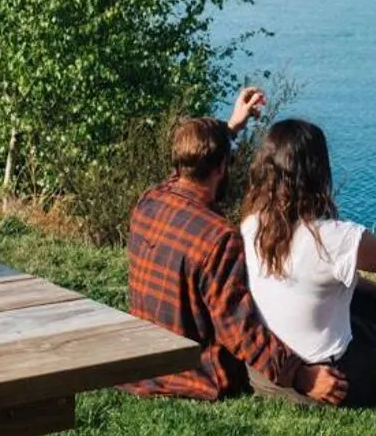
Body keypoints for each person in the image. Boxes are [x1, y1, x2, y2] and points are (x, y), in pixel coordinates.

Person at [124, 87, 346, 404]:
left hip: (148, 356)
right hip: (192, 371)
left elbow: (191, 161)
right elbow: (237, 329)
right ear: (221, 168)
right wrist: (300, 375)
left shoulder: (149, 201)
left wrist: (231, 127)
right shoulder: (218, 237)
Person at [239, 118, 376, 407]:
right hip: (328, 378)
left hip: (265, 373)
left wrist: (375, 294)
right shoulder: (332, 238)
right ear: (318, 172)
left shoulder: (251, 225)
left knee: (366, 305)